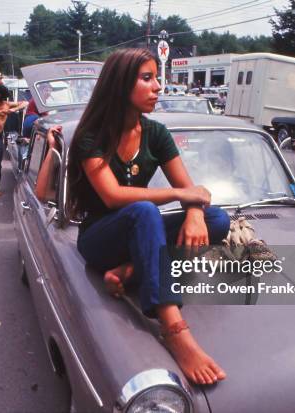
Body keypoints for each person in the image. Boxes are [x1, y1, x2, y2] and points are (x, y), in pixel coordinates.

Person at [64, 48, 230, 386]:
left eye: (157, 77)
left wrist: (195, 211)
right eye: (147, 78)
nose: (158, 86)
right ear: (120, 83)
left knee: (218, 221)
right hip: (100, 238)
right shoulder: (90, 136)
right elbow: (112, 196)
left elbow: (192, 190)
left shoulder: (156, 133)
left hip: (141, 229)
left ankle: (132, 269)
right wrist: (181, 196)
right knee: (144, 211)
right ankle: (173, 328)